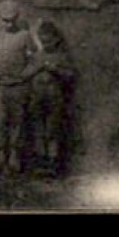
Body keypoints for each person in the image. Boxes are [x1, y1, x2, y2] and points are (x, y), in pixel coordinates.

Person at [0, 0, 35, 173]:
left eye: (12, 19)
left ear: (17, 17)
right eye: (5, 20)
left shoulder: (25, 36)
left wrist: (24, 75)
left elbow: (32, 59)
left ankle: (15, 157)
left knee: (18, 122)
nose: (9, 23)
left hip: (18, 87)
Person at [25, 19, 78, 177]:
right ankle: (41, 161)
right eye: (42, 40)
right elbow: (25, 74)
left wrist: (56, 70)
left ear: (56, 39)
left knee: (52, 130)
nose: (46, 44)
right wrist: (36, 68)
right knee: (38, 130)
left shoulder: (61, 57)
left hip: (54, 99)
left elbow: (71, 75)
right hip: (37, 99)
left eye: (49, 41)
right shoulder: (37, 57)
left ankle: (52, 162)